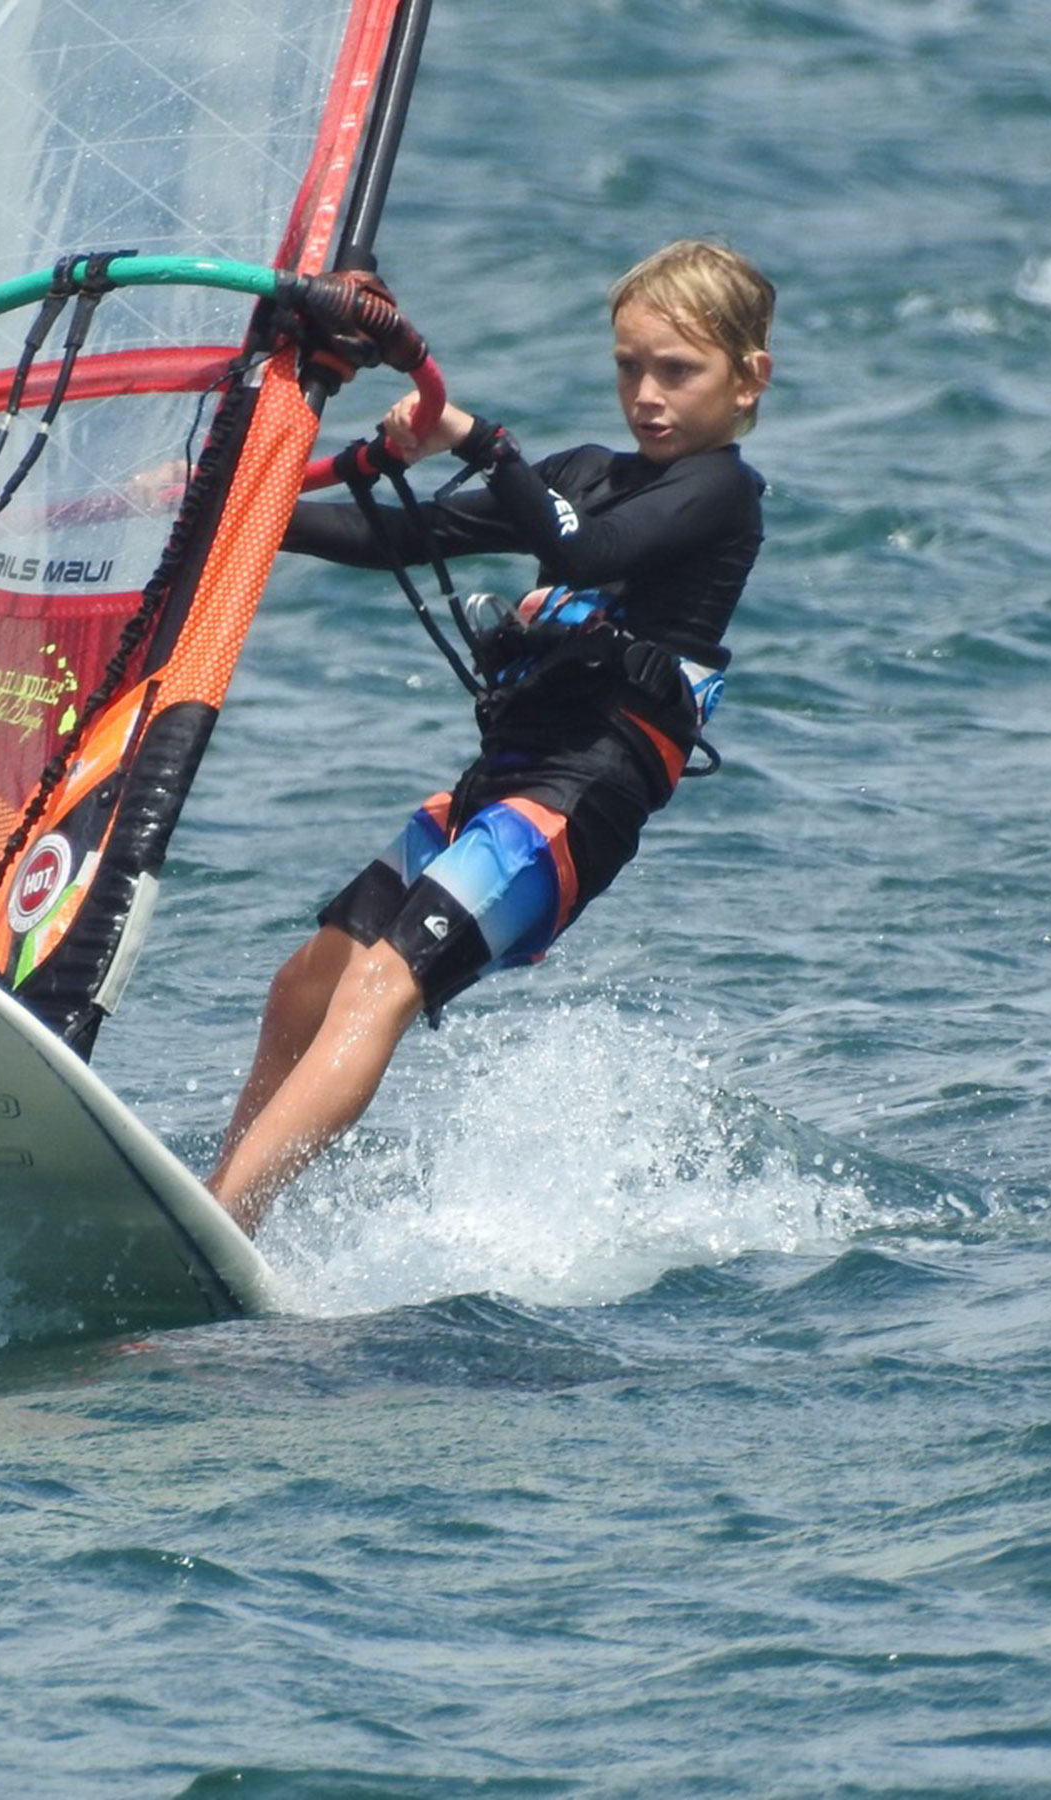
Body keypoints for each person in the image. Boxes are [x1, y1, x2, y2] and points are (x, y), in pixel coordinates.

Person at [207, 239, 775, 1232]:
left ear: (748, 379)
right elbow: (404, 536)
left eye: (677, 371)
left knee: (381, 984)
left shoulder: (722, 494)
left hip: (578, 802)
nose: (646, 396)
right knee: (305, 984)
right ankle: (213, 1202)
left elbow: (583, 552)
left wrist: (474, 437)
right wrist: (236, 507)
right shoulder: (586, 473)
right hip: (502, 783)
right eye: (628, 367)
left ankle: (230, 1215)